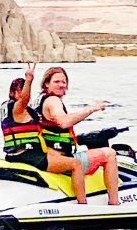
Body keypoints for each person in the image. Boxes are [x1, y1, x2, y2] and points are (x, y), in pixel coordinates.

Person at [1, 62, 91, 203]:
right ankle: (83, 204)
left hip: (14, 153)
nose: (24, 94)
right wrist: (29, 80)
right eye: (20, 90)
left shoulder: (12, 109)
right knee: (76, 164)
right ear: (14, 93)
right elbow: (24, 100)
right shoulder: (18, 107)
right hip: (28, 154)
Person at [37, 66, 119, 206]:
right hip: (59, 158)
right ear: (46, 83)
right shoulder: (53, 101)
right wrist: (92, 109)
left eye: (64, 82)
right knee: (110, 154)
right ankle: (114, 203)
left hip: (49, 154)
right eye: (57, 82)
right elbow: (64, 122)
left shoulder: (39, 100)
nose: (62, 85)